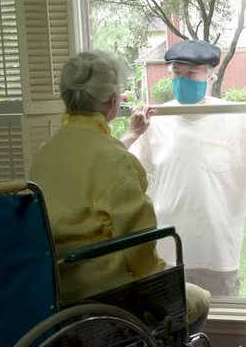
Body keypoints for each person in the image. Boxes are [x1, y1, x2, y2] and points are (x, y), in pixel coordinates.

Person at [29, 50, 210, 336]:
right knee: (199, 299)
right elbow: (139, 250)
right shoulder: (113, 159)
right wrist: (163, 278)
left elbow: (86, 164)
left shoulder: (44, 154)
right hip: (104, 292)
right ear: (114, 101)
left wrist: (131, 135)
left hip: (53, 289)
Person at [128, 40, 246, 296]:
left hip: (216, 253)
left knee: (221, 326)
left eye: (191, 73)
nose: (182, 80)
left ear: (211, 76)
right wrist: (131, 133)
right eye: (177, 73)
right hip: (168, 250)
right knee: (171, 328)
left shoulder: (237, 117)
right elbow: (124, 166)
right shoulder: (158, 119)